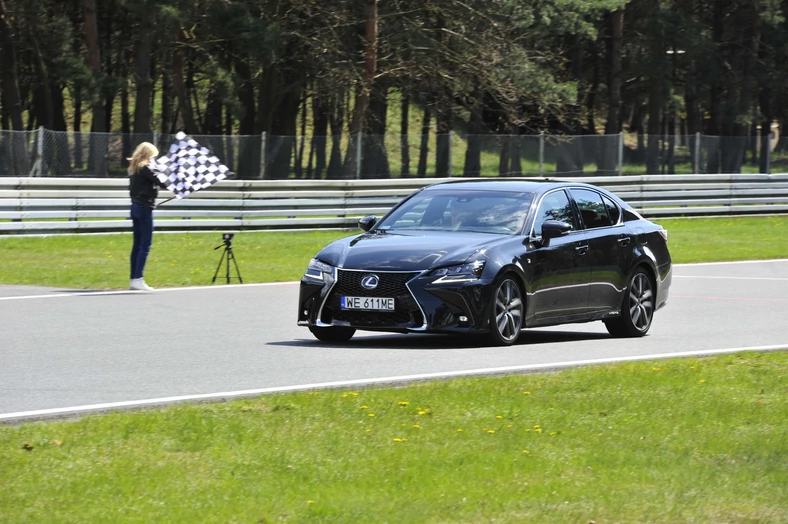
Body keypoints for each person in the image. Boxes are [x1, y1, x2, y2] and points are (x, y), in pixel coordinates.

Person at [128, 142, 169, 291]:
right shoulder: (146, 168)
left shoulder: (134, 168)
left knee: (137, 244)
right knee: (145, 244)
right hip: (144, 208)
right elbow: (162, 182)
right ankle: (138, 278)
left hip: (135, 206)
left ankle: (134, 278)